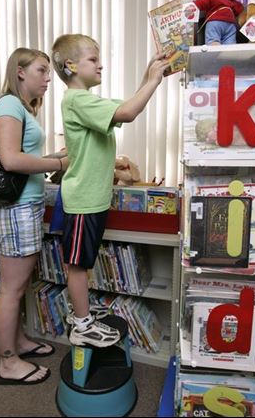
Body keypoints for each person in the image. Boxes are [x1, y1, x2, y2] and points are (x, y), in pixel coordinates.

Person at [51, 33, 169, 348]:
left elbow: (128, 106)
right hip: (82, 201)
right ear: (71, 65)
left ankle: (84, 316)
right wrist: (154, 82)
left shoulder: (88, 101)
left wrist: (149, 74)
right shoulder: (77, 100)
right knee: (77, 264)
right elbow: (128, 113)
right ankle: (81, 324)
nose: (100, 65)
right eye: (93, 59)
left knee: (83, 261)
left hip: (93, 200)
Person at [0, 48, 69, 385]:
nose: (48, 78)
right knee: (12, 289)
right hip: (17, 208)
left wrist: (53, 156)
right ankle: (8, 364)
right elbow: (10, 161)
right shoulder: (9, 104)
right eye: (41, 70)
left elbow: (24, 158)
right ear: (20, 71)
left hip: (25, 206)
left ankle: (18, 343)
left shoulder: (21, 108)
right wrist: (58, 164)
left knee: (18, 287)